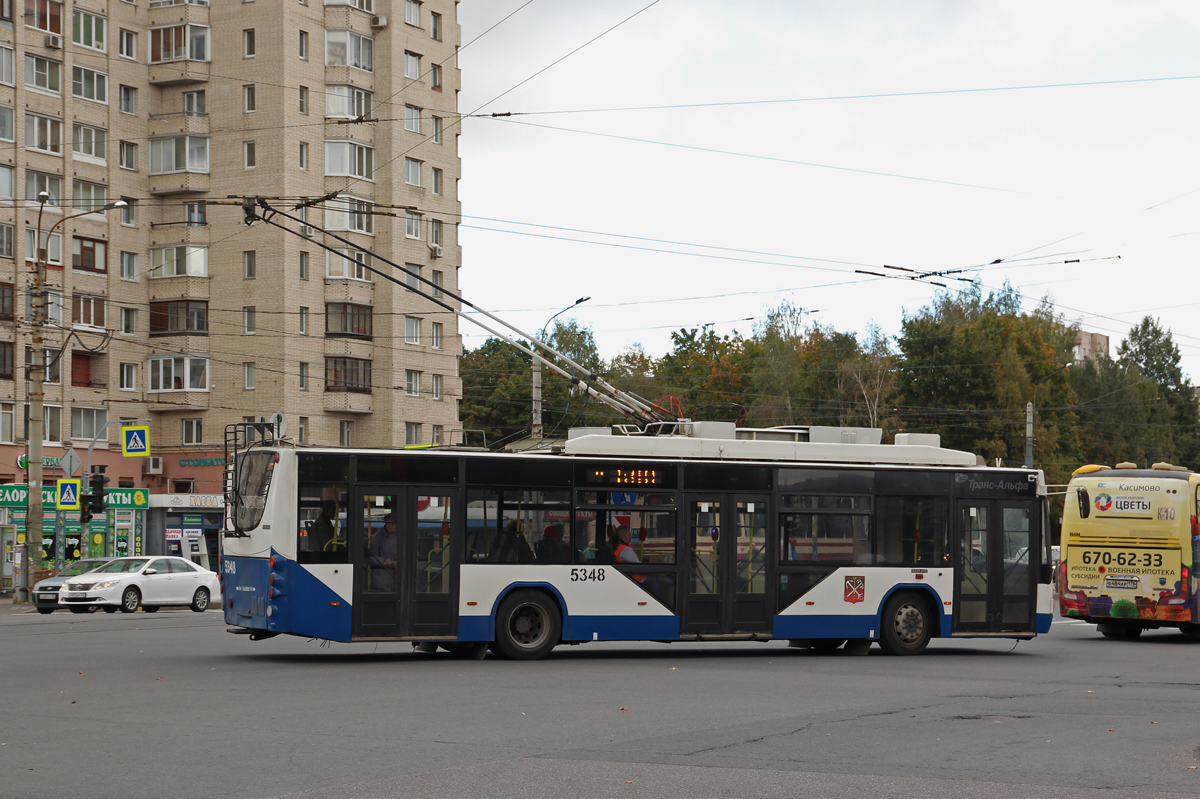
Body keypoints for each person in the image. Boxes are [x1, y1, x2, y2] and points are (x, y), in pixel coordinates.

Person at [368, 513, 398, 591]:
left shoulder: (399, 536)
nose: (393, 526)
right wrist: (384, 561)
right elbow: (372, 556)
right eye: (391, 524)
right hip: (382, 575)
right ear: (386, 524)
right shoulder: (376, 537)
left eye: (394, 524)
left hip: (397, 574)